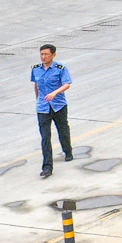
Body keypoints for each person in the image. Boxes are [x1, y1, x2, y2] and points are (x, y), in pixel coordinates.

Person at [31, 44, 75, 178]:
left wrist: (55, 93)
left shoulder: (60, 68)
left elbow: (67, 84)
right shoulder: (36, 69)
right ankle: (47, 167)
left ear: (53, 55)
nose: (43, 57)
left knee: (63, 130)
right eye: (42, 54)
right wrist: (38, 100)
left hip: (58, 105)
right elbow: (36, 85)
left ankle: (67, 151)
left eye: (46, 54)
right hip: (43, 108)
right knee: (45, 137)